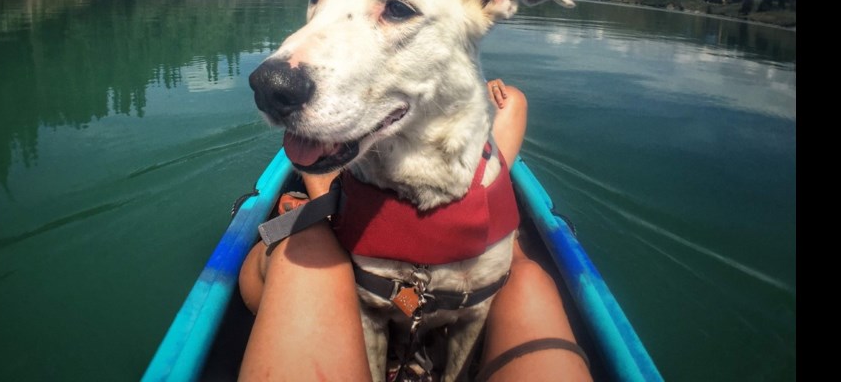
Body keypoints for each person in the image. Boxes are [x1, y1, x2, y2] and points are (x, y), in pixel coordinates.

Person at [238, 81, 592, 382]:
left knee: (308, 245)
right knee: (524, 275)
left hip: (399, 287)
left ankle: (331, 205)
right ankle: (496, 219)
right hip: (418, 290)